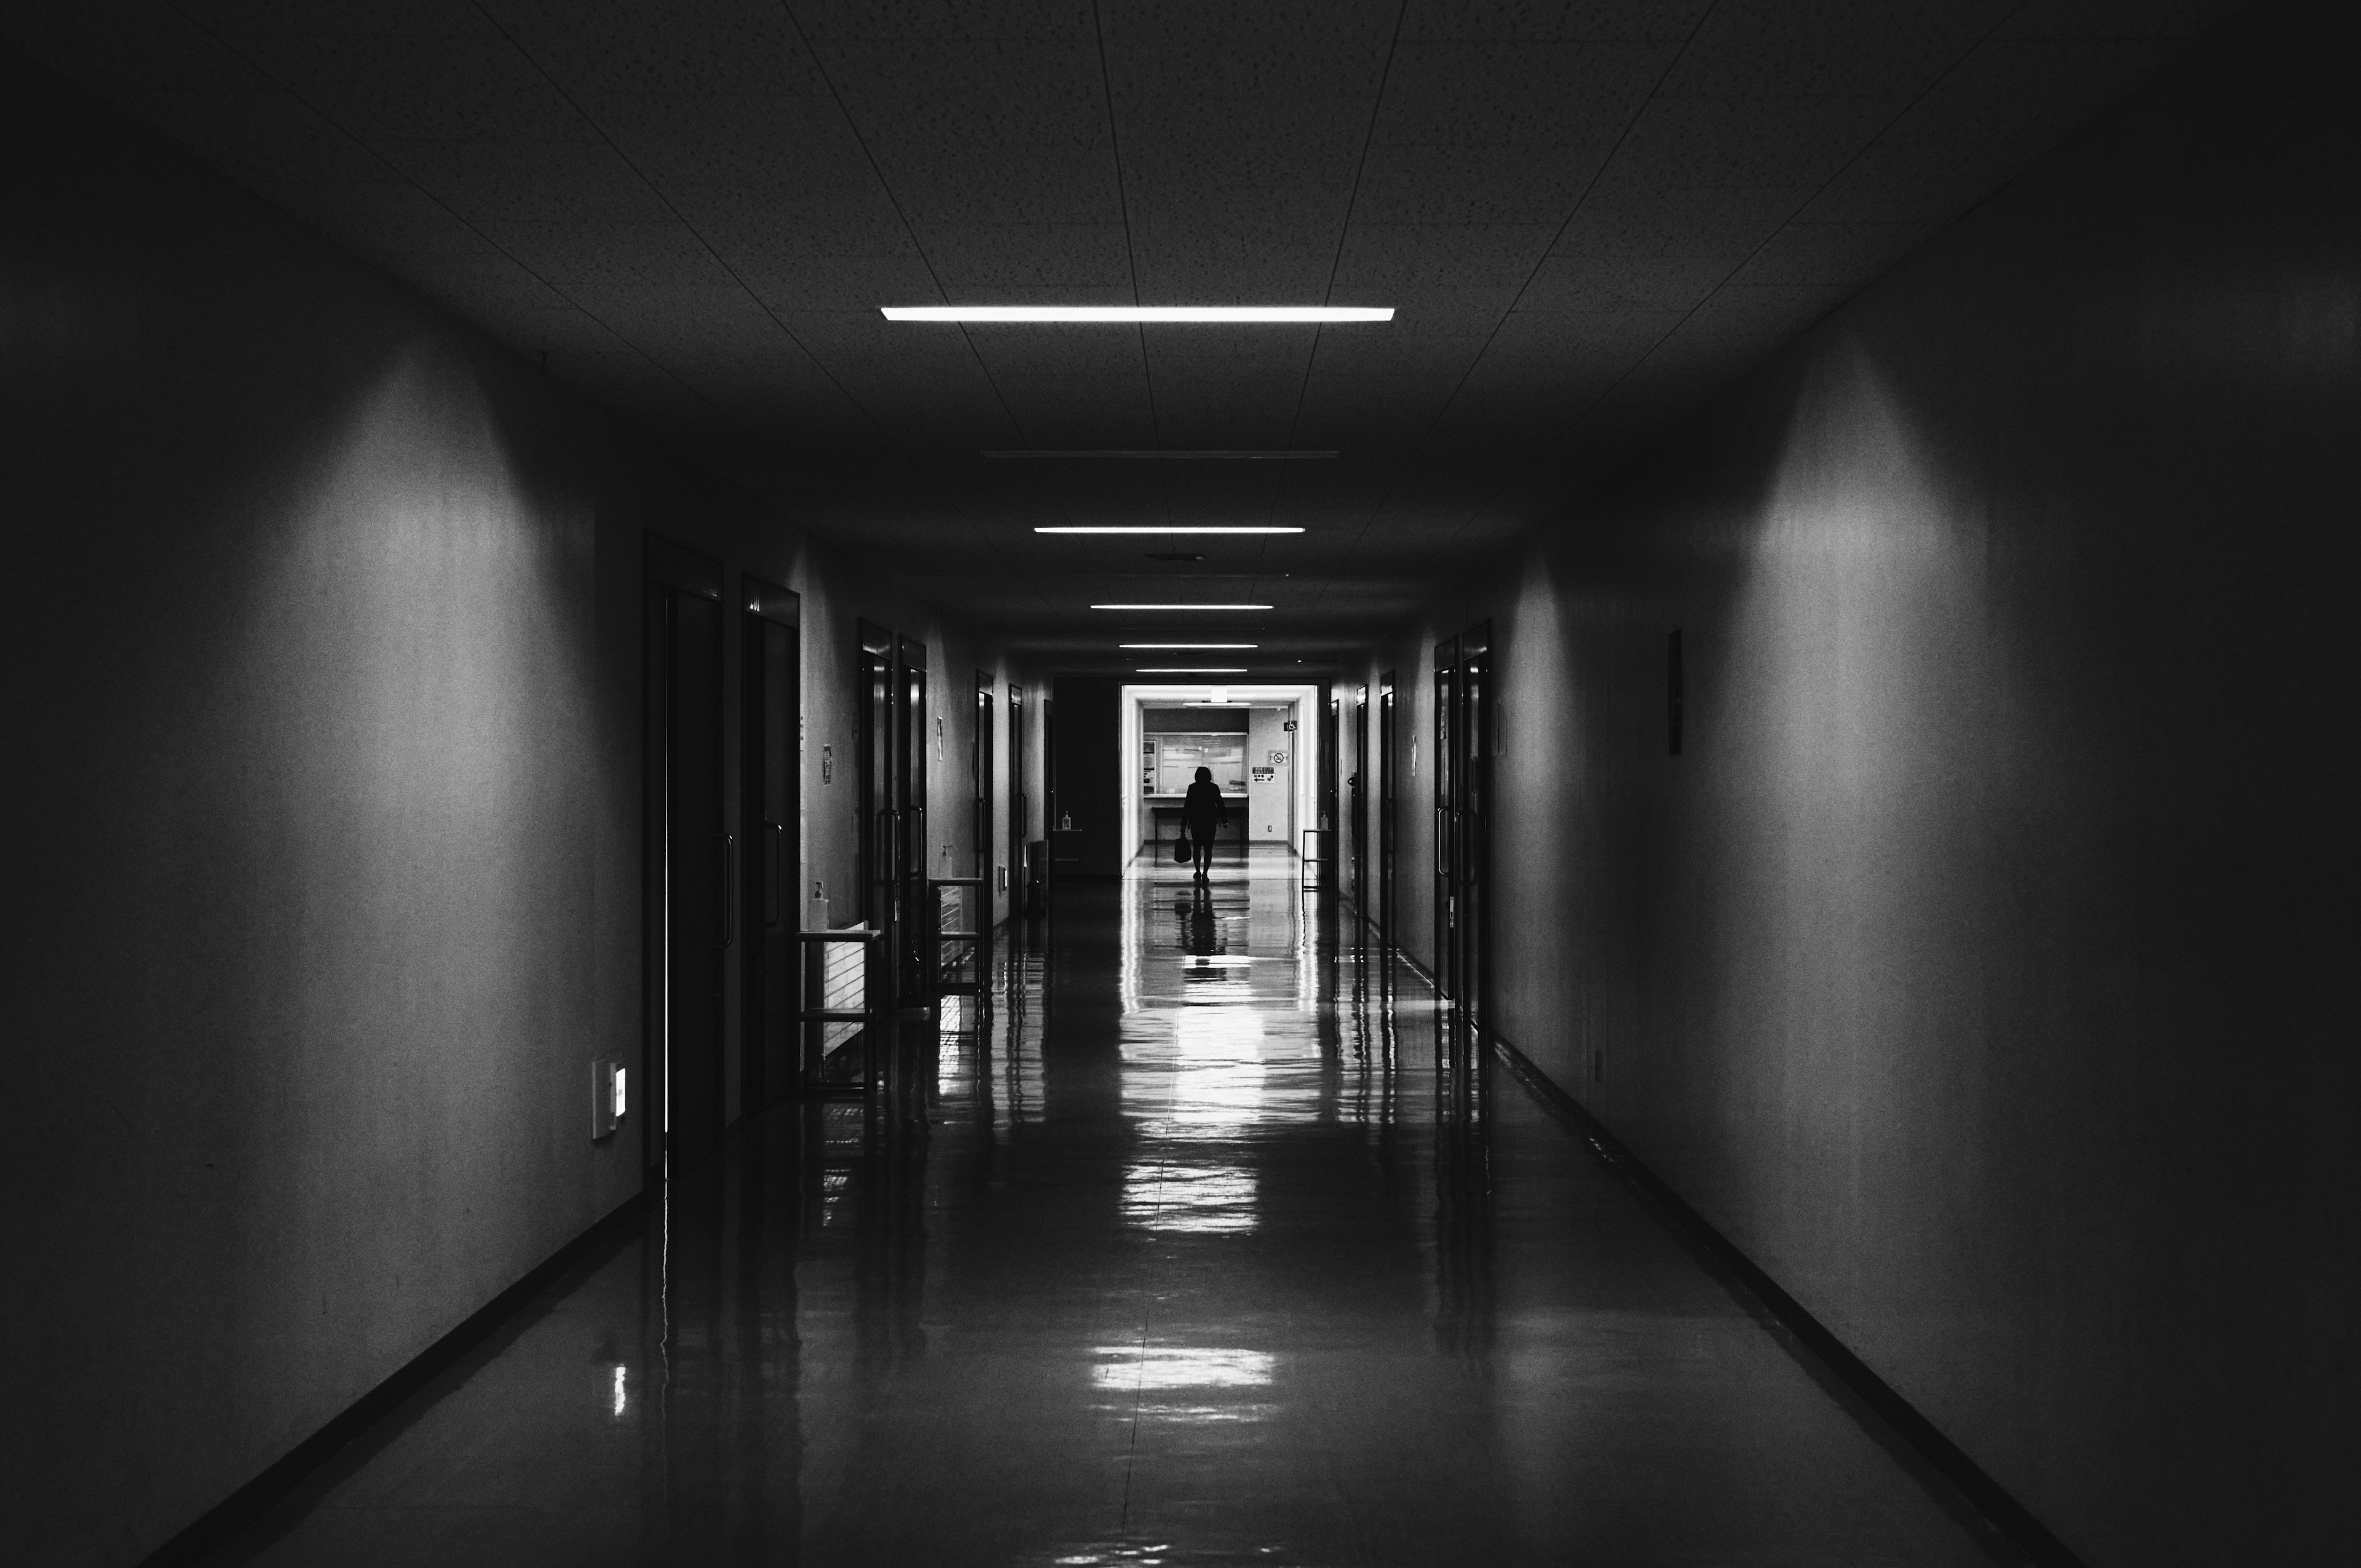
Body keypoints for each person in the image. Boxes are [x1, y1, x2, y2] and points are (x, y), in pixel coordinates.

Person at [1180, 765, 1224, 881]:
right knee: (1209, 848)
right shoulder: (1214, 788)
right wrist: (1224, 820)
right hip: (1210, 821)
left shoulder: (1192, 788)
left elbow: (1187, 806)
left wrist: (1183, 824)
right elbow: (1220, 804)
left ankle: (1197, 872)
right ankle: (1205, 873)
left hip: (1196, 821)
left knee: (1197, 847)